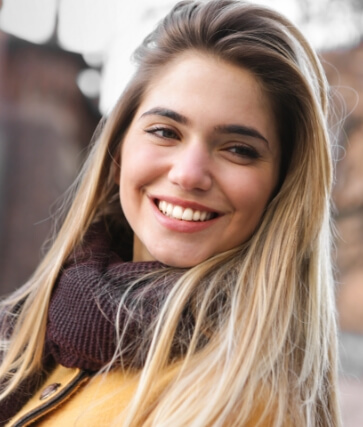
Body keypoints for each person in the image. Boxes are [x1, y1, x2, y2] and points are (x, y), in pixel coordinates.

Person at [0, 0, 341, 425]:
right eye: (165, 131)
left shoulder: (239, 404)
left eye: (238, 149)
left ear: (281, 184)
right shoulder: (43, 326)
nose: (188, 174)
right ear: (119, 145)